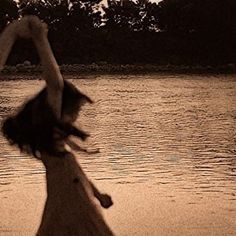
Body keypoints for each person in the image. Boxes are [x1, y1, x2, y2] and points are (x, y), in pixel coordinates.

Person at [0, 16, 114, 236]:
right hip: (70, 214)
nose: (77, 116)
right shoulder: (50, 143)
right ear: (62, 110)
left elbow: (76, 175)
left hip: (77, 210)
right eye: (76, 110)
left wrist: (98, 196)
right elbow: (55, 85)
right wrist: (41, 40)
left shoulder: (58, 145)